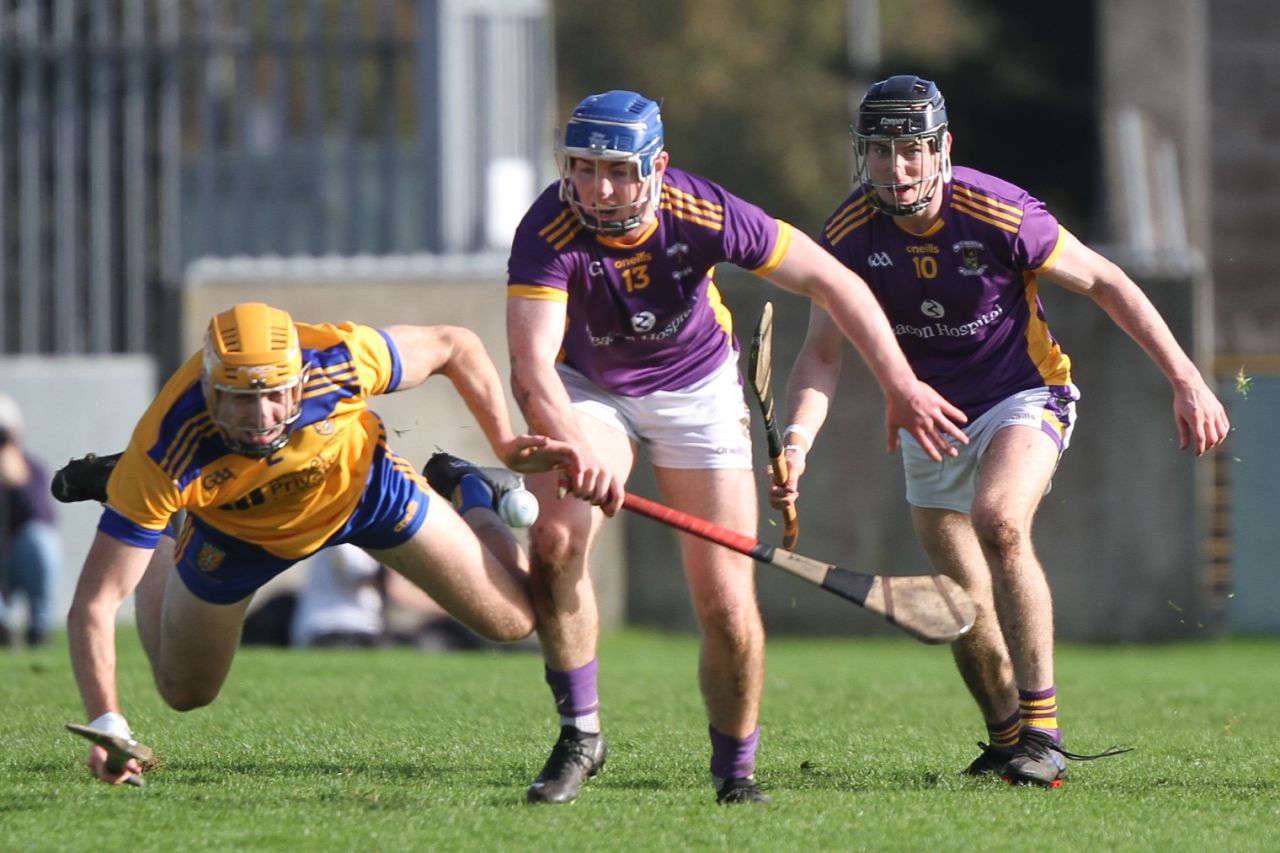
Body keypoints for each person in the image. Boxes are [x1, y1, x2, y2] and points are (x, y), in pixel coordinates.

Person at [505, 89, 969, 805]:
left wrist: (901, 385)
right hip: (589, 387)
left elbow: (834, 280)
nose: (599, 189)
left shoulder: (707, 213)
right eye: (584, 166)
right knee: (558, 542)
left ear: (657, 166)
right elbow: (532, 369)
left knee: (725, 601)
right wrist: (576, 443)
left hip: (698, 390)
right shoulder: (549, 227)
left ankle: (735, 773)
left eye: (619, 170)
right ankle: (581, 732)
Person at [774, 75, 1230, 787]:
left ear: (942, 148)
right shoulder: (848, 237)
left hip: (1026, 393)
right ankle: (1006, 739)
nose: (898, 170)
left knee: (1000, 522)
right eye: (881, 153)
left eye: (914, 151)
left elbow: (1107, 280)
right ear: (860, 155)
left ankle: (1044, 732)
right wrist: (797, 441)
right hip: (931, 422)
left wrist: (1186, 377)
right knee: (961, 602)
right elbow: (820, 355)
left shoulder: (997, 209)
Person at [56, 301, 590, 786]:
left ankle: (471, 488)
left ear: (297, 380)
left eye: (275, 396)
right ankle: (162, 524)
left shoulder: (338, 361)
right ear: (212, 391)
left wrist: (504, 443)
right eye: (242, 401)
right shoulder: (167, 451)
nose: (263, 417)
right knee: (185, 693)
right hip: (236, 535)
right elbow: (93, 606)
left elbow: (454, 344)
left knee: (513, 622)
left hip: (367, 493)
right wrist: (108, 721)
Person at [0, 393, 61, 648]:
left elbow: (43, 516)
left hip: (19, 557)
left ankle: (40, 628)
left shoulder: (33, 468)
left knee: (40, 538)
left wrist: (19, 482)